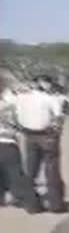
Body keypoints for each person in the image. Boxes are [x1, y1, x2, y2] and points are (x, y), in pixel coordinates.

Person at [13, 75, 65, 213]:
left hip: (29, 135)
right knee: (52, 169)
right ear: (43, 84)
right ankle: (56, 204)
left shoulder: (21, 99)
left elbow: (17, 117)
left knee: (30, 170)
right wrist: (56, 133)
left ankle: (32, 205)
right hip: (47, 134)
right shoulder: (50, 99)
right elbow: (58, 118)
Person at [0, 84, 41, 213]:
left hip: (7, 141)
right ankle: (32, 204)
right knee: (16, 174)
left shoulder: (9, 103)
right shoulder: (11, 104)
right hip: (8, 143)